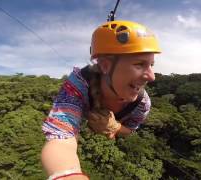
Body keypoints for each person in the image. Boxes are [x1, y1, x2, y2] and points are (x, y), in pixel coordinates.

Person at [41, 20, 161, 180]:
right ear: (105, 65)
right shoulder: (79, 84)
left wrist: (116, 127)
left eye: (151, 65)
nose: (151, 76)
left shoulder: (142, 103)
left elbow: (130, 130)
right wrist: (68, 176)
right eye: (139, 64)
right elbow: (61, 137)